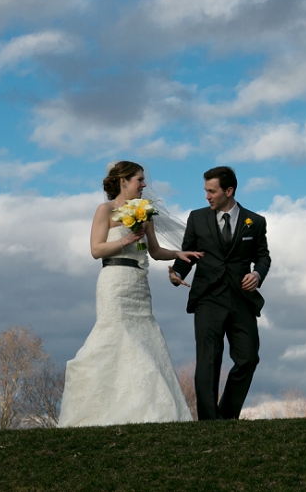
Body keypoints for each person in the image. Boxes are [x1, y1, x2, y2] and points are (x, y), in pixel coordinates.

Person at [58, 161, 202, 427]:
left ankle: (146, 411)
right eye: (139, 179)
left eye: (143, 180)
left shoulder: (144, 213)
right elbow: (96, 249)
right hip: (114, 282)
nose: (144, 185)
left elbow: (156, 251)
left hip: (139, 285)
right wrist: (125, 240)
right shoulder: (106, 210)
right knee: (114, 337)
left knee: (144, 340)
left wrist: (178, 254)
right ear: (123, 181)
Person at [168, 166, 271, 420]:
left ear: (229, 191)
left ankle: (226, 416)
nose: (207, 196)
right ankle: (208, 422)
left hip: (241, 299)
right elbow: (188, 253)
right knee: (208, 361)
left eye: (211, 191)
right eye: (205, 191)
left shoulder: (255, 222)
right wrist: (177, 274)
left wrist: (257, 274)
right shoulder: (196, 218)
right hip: (208, 298)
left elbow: (263, 256)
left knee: (248, 359)